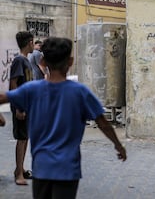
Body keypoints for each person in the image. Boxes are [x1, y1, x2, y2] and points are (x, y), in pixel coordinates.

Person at [0, 37, 127, 199]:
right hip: (68, 170)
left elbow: (3, 97)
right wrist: (118, 146)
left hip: (42, 168)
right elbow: (103, 123)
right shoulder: (81, 92)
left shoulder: (31, 90)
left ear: (43, 61)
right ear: (71, 61)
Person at [10, 31, 34, 185]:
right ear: (29, 43)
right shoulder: (19, 60)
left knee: (25, 138)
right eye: (33, 42)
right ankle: (19, 173)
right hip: (21, 106)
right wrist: (19, 108)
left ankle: (21, 168)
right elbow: (13, 83)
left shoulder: (26, 60)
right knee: (21, 138)